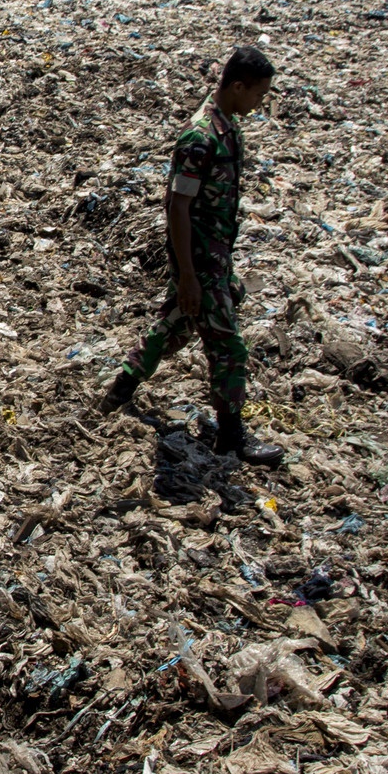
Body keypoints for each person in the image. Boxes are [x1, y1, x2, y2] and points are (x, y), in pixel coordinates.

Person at [99, 46, 286, 467]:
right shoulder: (201, 137)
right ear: (237, 86)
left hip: (214, 256)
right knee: (229, 347)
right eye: (258, 93)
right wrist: (187, 275)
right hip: (199, 260)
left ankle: (120, 389)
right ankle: (232, 436)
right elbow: (177, 207)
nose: (260, 102)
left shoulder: (227, 126)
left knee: (174, 326)